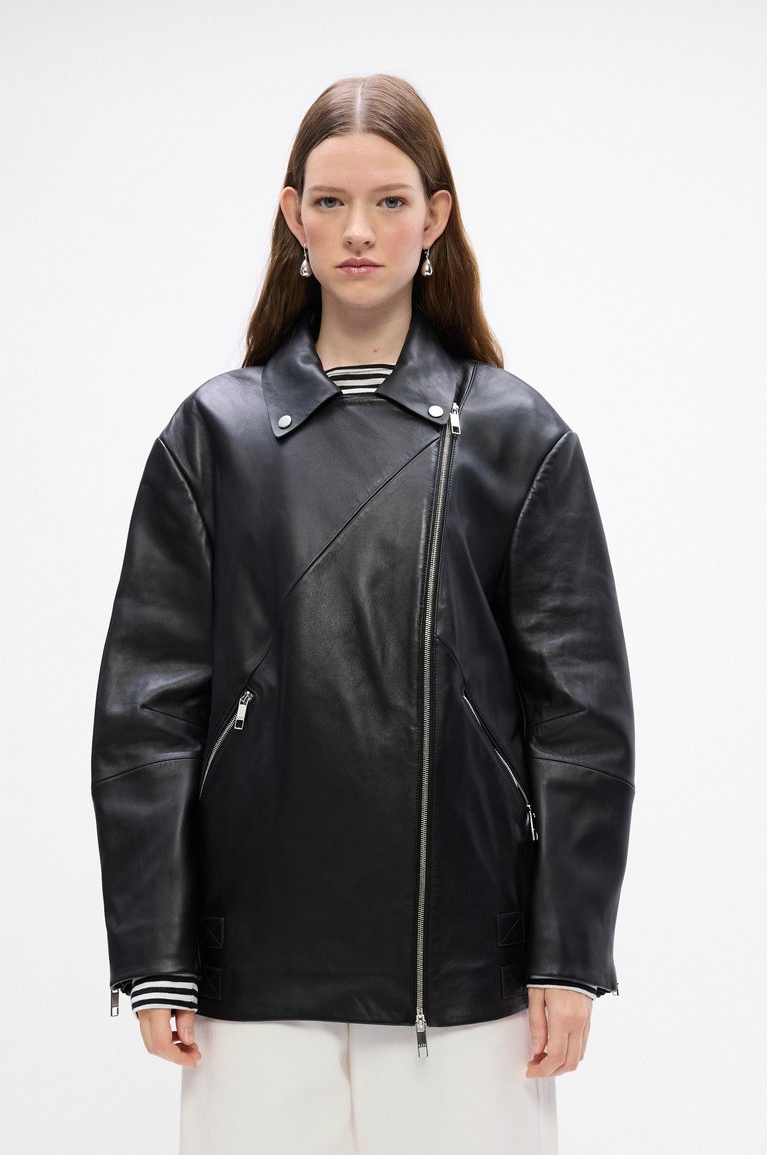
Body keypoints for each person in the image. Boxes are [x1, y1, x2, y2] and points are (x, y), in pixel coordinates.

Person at [91, 74, 635, 1155]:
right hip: (253, 969)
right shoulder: (212, 436)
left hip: (463, 975)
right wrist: (156, 953)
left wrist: (567, 954)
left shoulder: (517, 437)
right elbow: (147, 712)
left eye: (389, 201)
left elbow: (579, 717)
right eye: (331, 201)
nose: (357, 231)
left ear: (435, 216)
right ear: (292, 214)